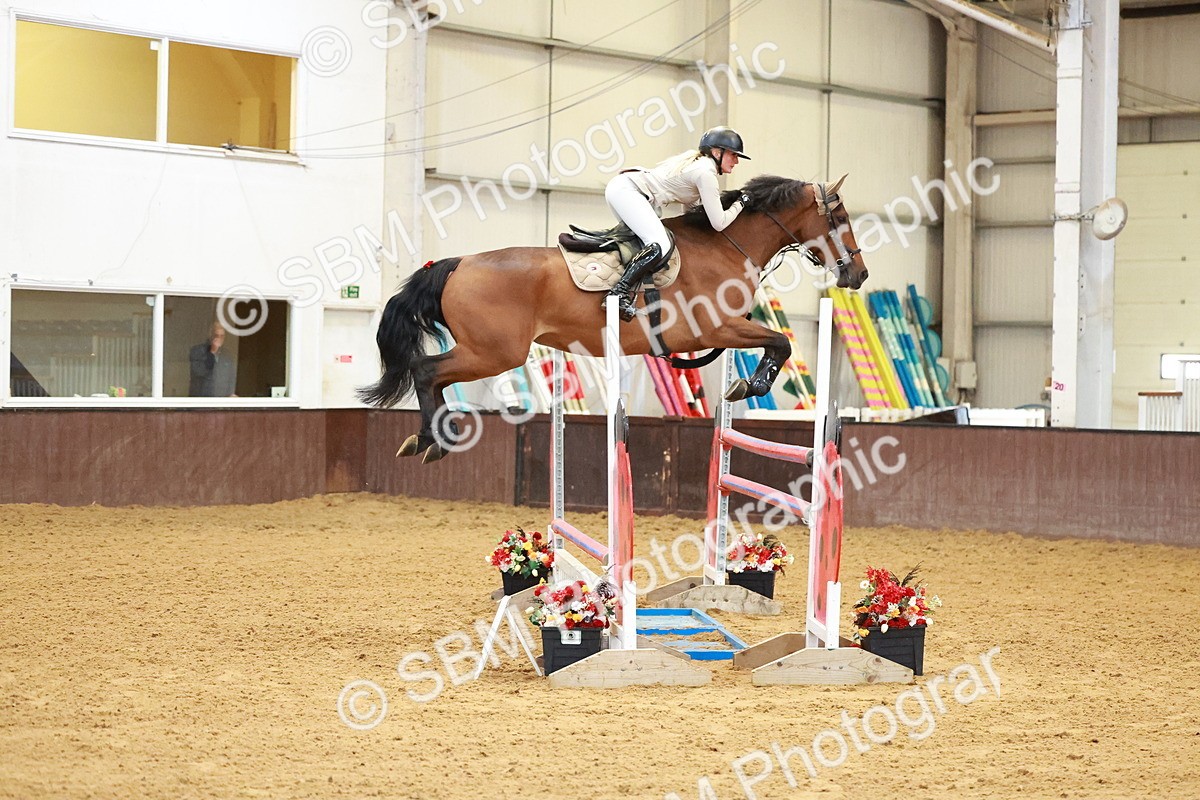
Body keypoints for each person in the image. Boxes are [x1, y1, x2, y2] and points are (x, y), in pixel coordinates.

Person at [604, 126, 753, 321]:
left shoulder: (700, 167)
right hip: (628, 192)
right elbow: (719, 223)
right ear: (717, 153)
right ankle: (618, 292)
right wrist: (741, 203)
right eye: (733, 155)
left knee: (645, 243)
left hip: (623, 189)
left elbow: (690, 214)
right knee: (661, 244)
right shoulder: (705, 173)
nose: (737, 161)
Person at [189, 322, 237, 397]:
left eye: (222, 336)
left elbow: (231, 378)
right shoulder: (198, 351)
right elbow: (199, 372)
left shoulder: (227, 355)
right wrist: (212, 351)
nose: (219, 339)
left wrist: (231, 394)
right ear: (210, 336)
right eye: (216, 335)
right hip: (202, 400)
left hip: (221, 401)